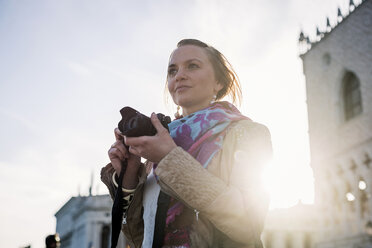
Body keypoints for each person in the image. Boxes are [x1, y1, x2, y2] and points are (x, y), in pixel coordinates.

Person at [101, 39, 273, 248]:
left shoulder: (248, 134)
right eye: (172, 71)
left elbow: (248, 225)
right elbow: (139, 237)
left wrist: (169, 159)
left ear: (219, 82)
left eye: (193, 66)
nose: (179, 75)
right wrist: (129, 176)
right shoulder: (160, 141)